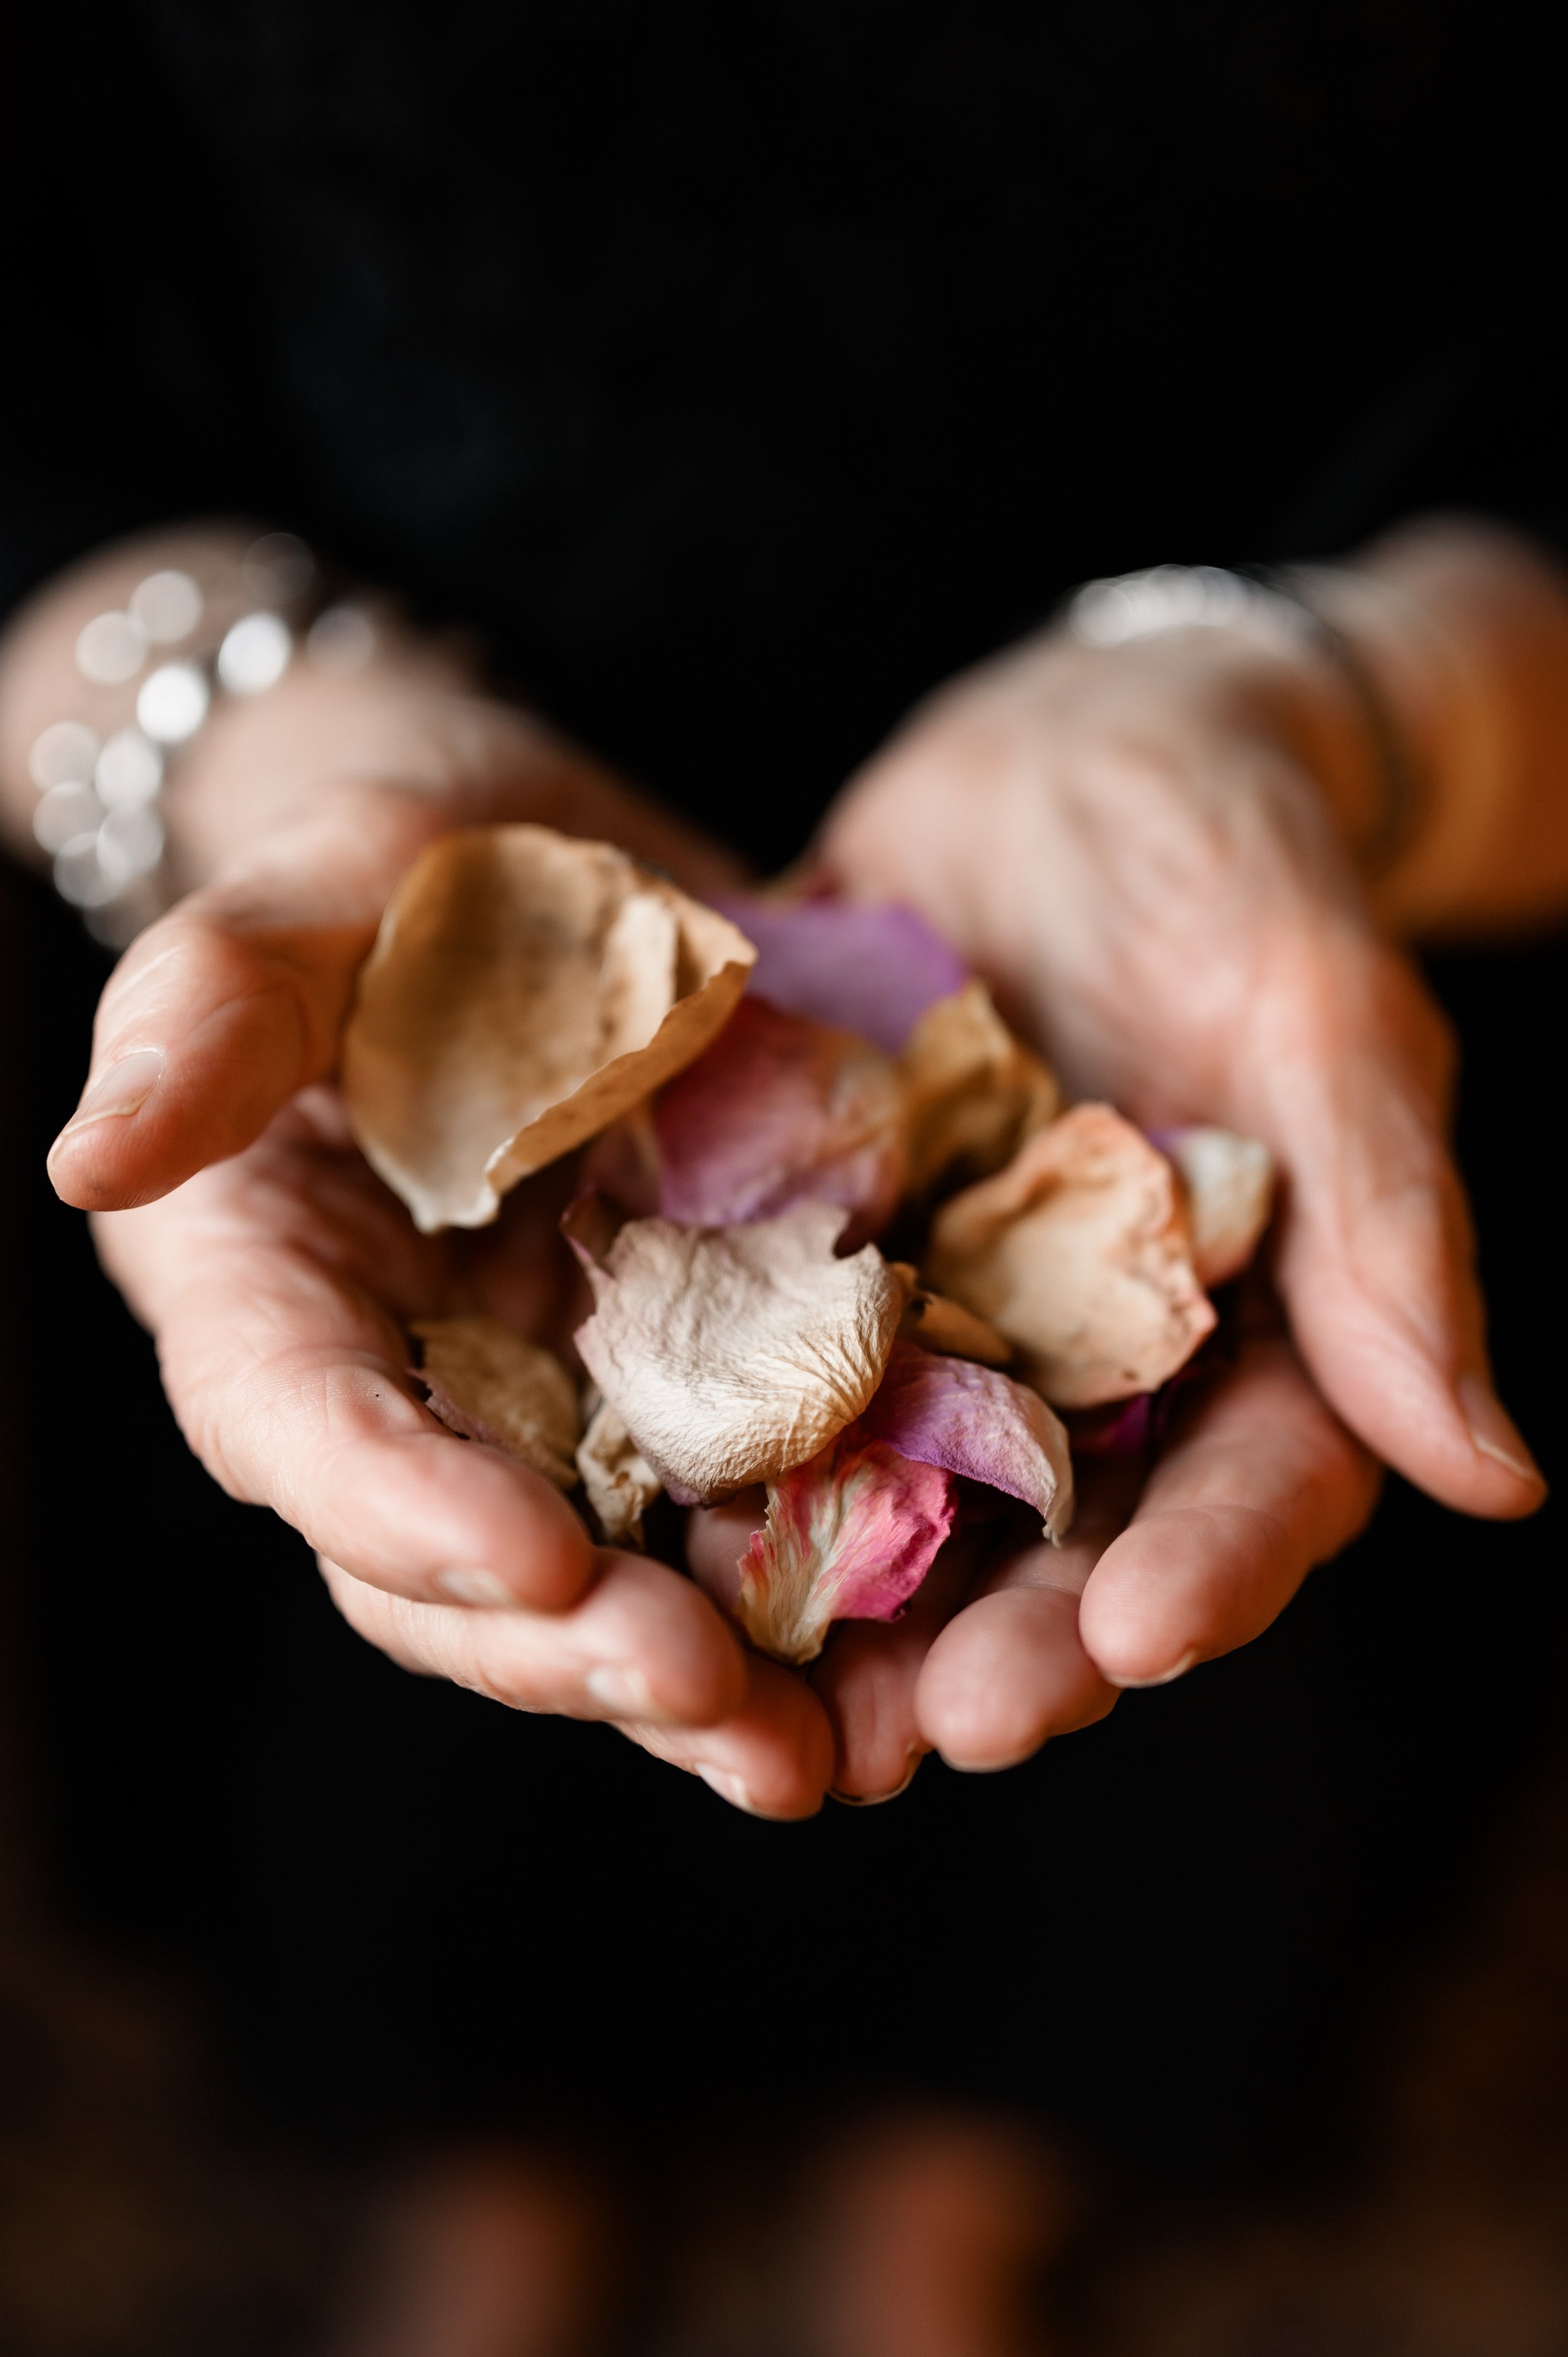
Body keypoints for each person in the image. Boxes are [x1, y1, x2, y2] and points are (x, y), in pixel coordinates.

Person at [3, 7, 1567, 2348]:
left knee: (1174, 1759)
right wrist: (228, 731)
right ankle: (496, 2170)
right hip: (360, 943)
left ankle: (954, 2202)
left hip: (1248, 891)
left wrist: (1352, 714)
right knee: (416, 1719)